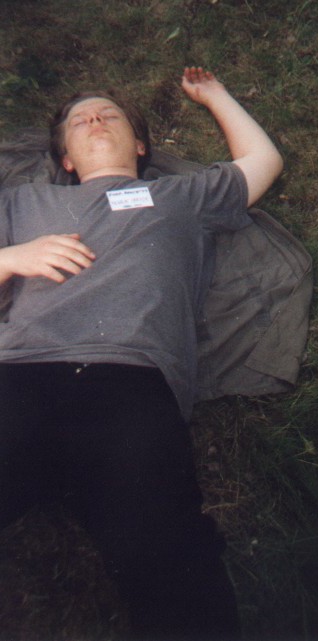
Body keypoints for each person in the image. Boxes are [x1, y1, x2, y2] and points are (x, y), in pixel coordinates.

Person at [0, 67, 283, 640]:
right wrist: (10, 259)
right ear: (66, 159)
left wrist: (215, 95)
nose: (94, 119)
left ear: (141, 146)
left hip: (131, 387)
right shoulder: (23, 203)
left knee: (168, 556)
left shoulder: (181, 196)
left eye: (108, 114)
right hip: (21, 375)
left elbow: (263, 162)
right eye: (79, 120)